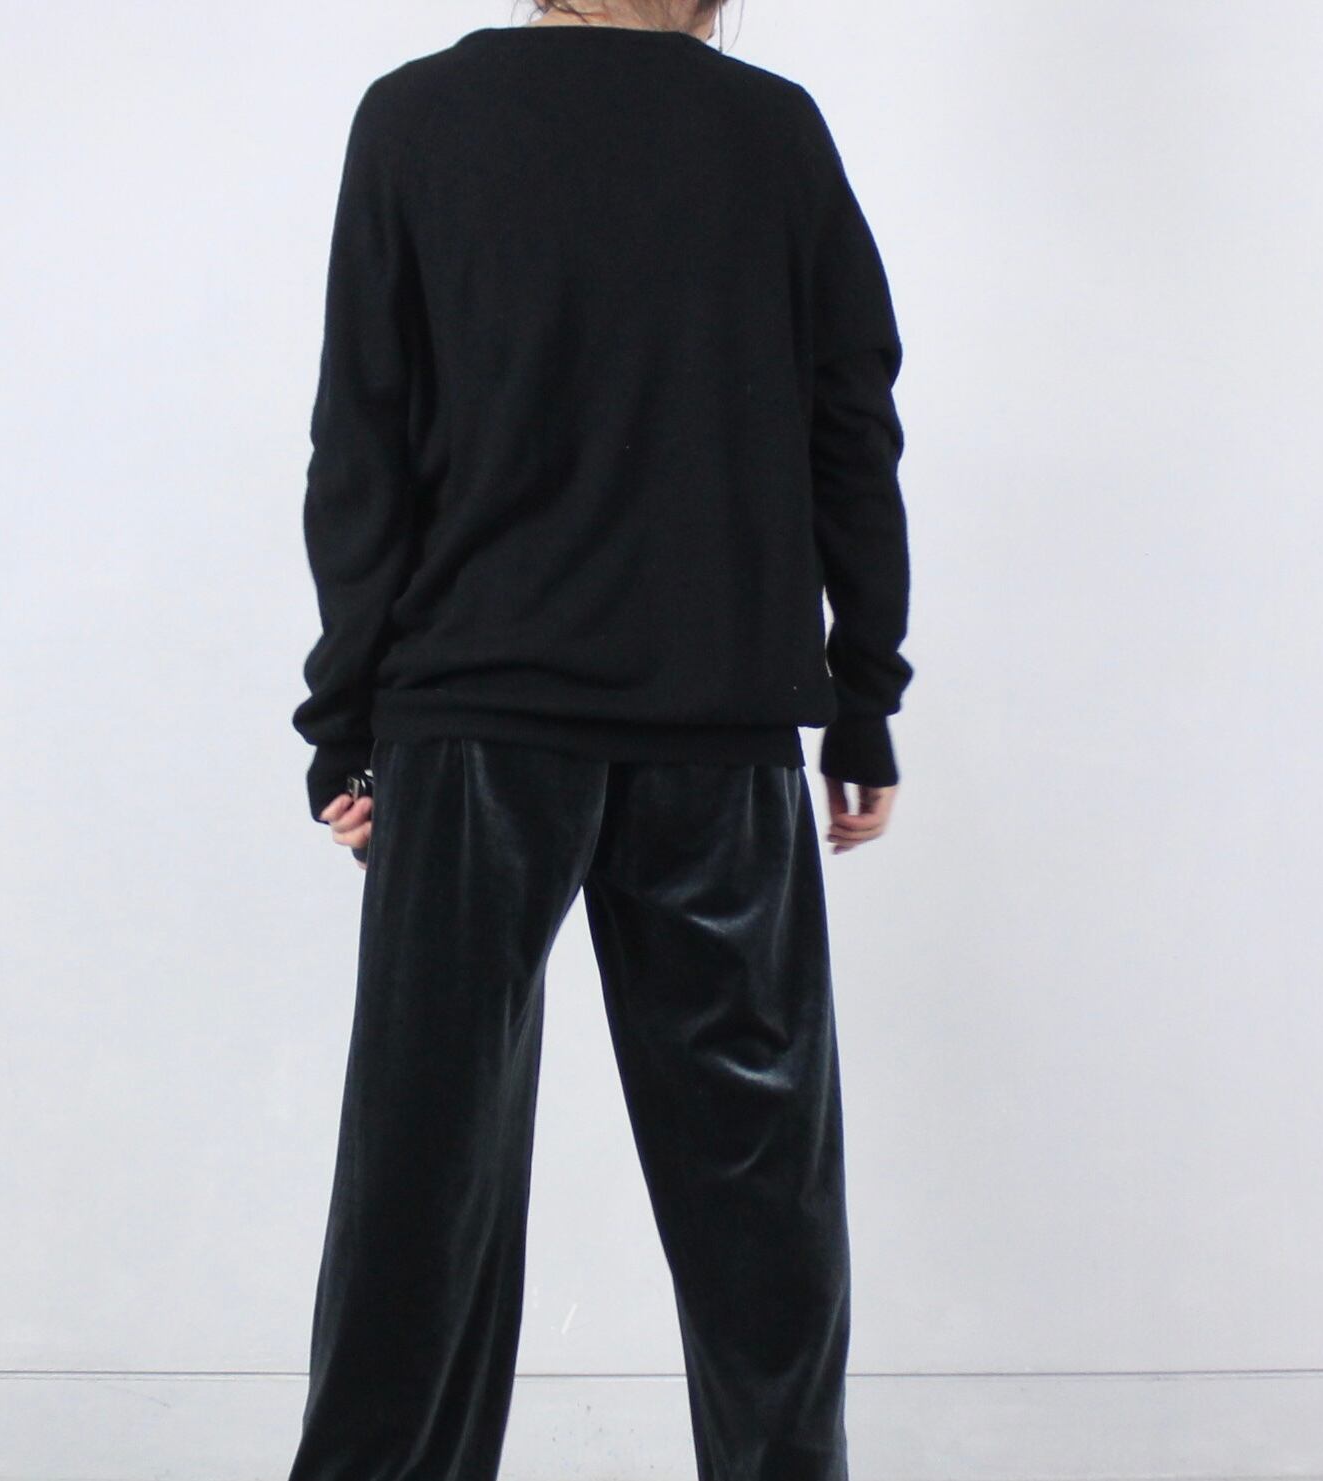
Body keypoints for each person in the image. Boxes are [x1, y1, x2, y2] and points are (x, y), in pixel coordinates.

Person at [286, 1, 913, 1477]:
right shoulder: (770, 131)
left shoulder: (415, 119)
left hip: (475, 721)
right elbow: (852, 420)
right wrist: (862, 691)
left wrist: (344, 719)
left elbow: (361, 435)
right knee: (760, 1192)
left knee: (421, 1186)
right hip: (719, 730)